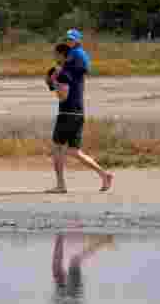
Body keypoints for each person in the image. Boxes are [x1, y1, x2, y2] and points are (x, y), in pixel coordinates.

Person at [47, 30, 114, 193]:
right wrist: (54, 81)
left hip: (67, 112)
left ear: (63, 55)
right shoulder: (73, 69)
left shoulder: (68, 68)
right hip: (78, 111)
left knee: (57, 149)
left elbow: (62, 96)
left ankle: (61, 185)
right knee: (73, 151)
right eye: (67, 39)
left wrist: (54, 81)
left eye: (56, 55)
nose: (54, 58)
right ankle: (104, 175)